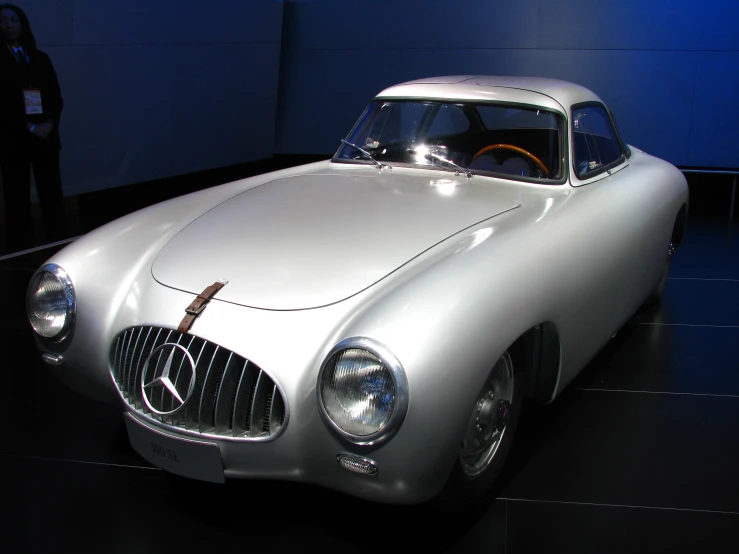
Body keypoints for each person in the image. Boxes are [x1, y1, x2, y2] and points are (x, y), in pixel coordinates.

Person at [0, 3, 66, 252]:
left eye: (13, 19)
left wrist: (49, 123)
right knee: (16, 196)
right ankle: (21, 250)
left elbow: (55, 96)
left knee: (52, 193)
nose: (8, 24)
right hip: (14, 139)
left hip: (45, 136)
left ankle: (58, 243)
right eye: (3, 20)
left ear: (22, 23)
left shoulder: (40, 57)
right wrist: (28, 126)